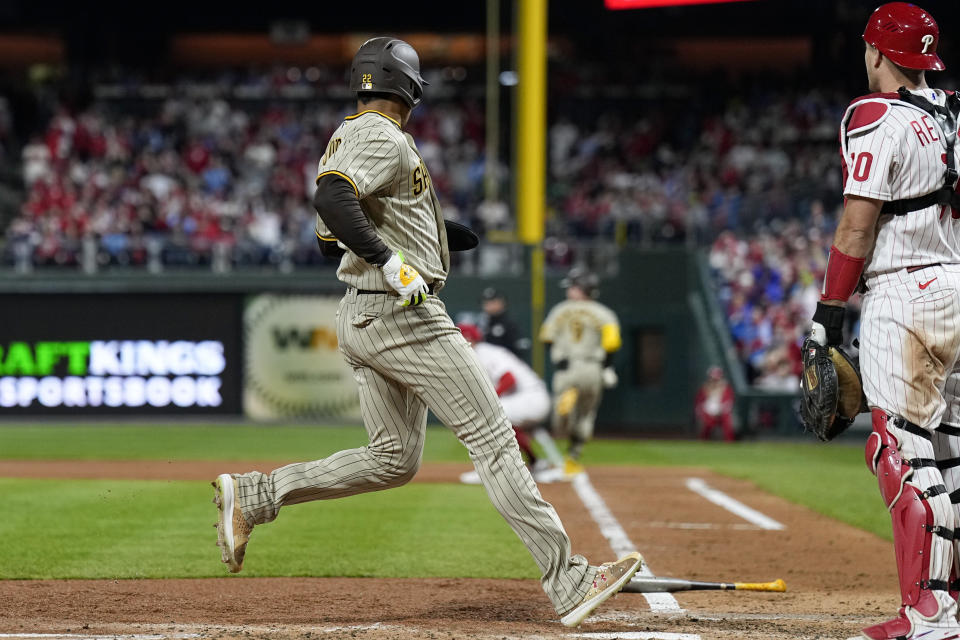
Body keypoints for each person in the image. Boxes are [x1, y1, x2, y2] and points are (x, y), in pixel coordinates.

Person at [211, 37, 641, 627]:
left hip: (363, 313)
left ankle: (258, 495)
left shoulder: (348, 135)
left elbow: (330, 231)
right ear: (408, 86)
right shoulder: (379, 134)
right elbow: (331, 201)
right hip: (400, 314)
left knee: (393, 458)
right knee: (493, 435)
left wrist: (435, 236)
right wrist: (393, 260)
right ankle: (566, 580)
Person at [809, 5, 960, 639]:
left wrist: (827, 316)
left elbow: (856, 224)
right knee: (951, 455)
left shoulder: (874, 116)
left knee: (901, 449)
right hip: (957, 283)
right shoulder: (954, 111)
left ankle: (927, 612)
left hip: (903, 294)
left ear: (876, 53)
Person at [455, 322, 566, 485]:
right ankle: (536, 464)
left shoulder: (483, 352)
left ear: (468, 338)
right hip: (526, 398)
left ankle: (490, 471)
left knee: (490, 416)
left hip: (531, 398)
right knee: (495, 416)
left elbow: (509, 379)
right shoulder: (481, 352)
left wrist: (492, 398)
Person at [540, 267, 621, 474]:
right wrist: (608, 367)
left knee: (560, 420)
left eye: (572, 287)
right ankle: (572, 458)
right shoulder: (604, 313)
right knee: (587, 415)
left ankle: (566, 406)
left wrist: (559, 356)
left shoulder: (560, 310)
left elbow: (546, 337)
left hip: (566, 367)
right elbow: (611, 343)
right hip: (592, 368)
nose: (568, 291)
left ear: (580, 288)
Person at [479, 287, 530, 360]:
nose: (489, 306)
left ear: (501, 302)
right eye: (486, 303)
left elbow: (520, 349)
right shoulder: (482, 322)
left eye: (493, 302)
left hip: (506, 364)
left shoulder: (509, 323)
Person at [694, 366, 735, 442]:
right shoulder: (704, 388)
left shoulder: (726, 388)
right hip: (707, 412)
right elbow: (699, 403)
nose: (715, 381)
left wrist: (721, 411)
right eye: (713, 378)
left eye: (717, 378)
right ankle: (703, 441)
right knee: (706, 424)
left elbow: (729, 403)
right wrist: (704, 412)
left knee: (727, 422)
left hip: (721, 412)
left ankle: (729, 442)